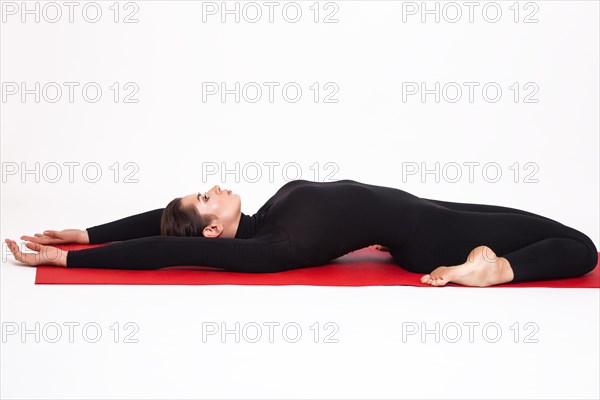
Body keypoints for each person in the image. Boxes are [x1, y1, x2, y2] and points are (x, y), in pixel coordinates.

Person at [5, 179, 598, 287]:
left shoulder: (265, 221)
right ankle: (494, 271)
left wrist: (84, 232)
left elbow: (158, 225)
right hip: (435, 235)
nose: (212, 186)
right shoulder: (271, 249)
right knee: (581, 248)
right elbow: (165, 246)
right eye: (206, 198)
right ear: (213, 230)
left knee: (561, 237)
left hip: (427, 211)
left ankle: (492, 265)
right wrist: (64, 265)